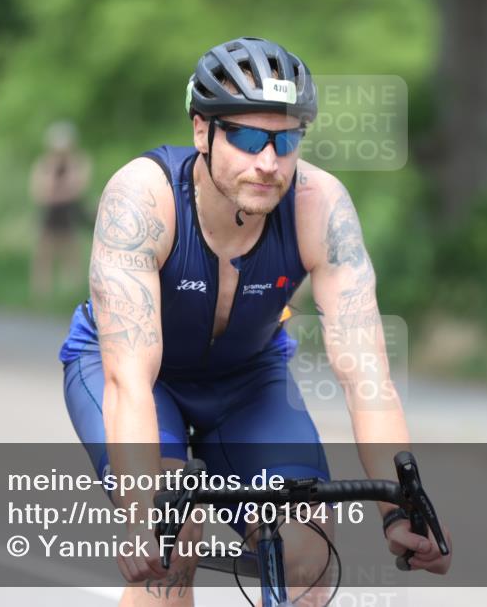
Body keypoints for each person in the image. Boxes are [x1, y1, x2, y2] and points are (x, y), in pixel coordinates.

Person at [58, 37, 451, 605]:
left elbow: (368, 381)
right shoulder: (143, 200)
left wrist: (401, 512)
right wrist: (142, 514)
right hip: (132, 374)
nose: (267, 162)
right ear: (202, 130)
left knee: (307, 551)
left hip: (248, 381)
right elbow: (130, 381)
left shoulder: (321, 206)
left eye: (285, 139)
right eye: (245, 137)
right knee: (175, 536)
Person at [29, 121, 92, 299]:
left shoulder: (78, 162)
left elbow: (77, 187)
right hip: (49, 213)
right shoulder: (45, 163)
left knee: (71, 252)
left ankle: (70, 292)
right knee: (44, 253)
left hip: (69, 213)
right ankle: (41, 293)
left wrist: (59, 190)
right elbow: (39, 191)